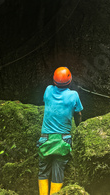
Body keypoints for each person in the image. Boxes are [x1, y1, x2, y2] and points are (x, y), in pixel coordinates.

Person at [37, 67, 83, 195]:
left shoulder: (48, 90)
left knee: (43, 171)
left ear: (54, 81)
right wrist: (78, 126)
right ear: (70, 81)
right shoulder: (74, 95)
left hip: (45, 139)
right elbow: (78, 113)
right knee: (58, 171)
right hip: (63, 139)